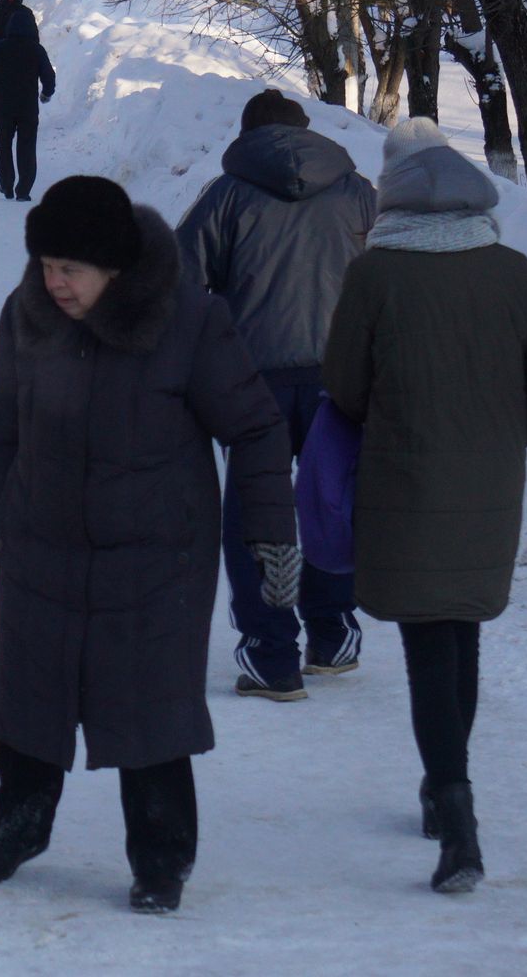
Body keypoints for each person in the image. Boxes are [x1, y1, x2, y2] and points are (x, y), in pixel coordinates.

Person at [0, 176, 298, 913]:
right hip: (42, 548)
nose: (53, 283)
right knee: (30, 701)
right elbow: (4, 429)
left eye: (70, 270)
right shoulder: (26, 314)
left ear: (114, 267)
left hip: (158, 560)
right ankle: (19, 828)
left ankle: (160, 860)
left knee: (148, 711)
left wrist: (270, 535)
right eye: (45, 264)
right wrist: (3, 524)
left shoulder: (189, 322)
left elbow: (253, 428)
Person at [321, 118, 527, 893]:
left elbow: (342, 385)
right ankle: (444, 793)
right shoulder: (512, 272)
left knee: (428, 642)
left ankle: (455, 816)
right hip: (488, 481)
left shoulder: (375, 275)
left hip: (402, 476)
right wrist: (501, 436)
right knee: (457, 629)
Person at [175, 88, 377, 702]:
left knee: (253, 513)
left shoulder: (226, 196)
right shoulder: (359, 193)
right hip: (338, 377)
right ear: (305, 131)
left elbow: (181, 285)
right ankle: (332, 630)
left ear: (247, 136)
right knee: (329, 501)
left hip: (252, 380)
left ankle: (271, 655)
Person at [0, 9, 54, 201]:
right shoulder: (36, 49)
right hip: (28, 107)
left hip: (3, 107)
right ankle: (24, 190)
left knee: (4, 145)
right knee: (27, 147)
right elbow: (48, 75)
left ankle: (6, 184)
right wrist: (46, 93)